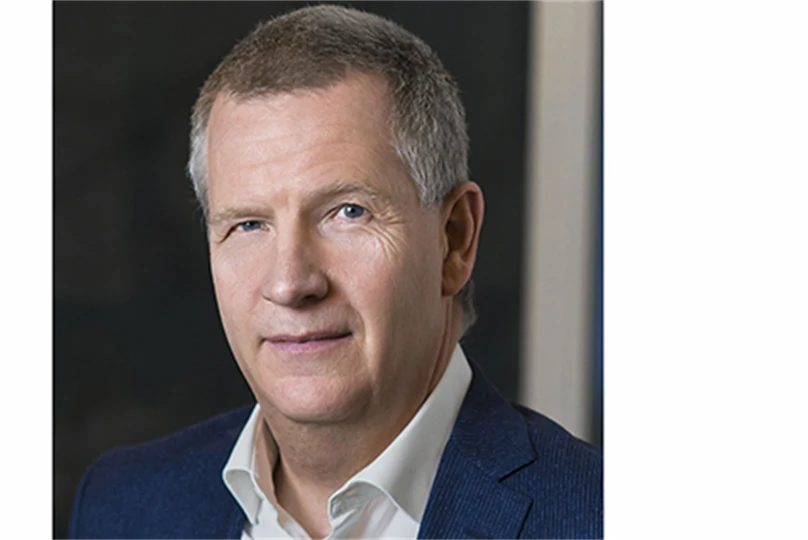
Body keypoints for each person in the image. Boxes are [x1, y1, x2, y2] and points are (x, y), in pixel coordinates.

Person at [68, 5, 602, 539]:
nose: (290, 283)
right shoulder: (121, 508)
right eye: (249, 224)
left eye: (348, 212)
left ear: (454, 239)